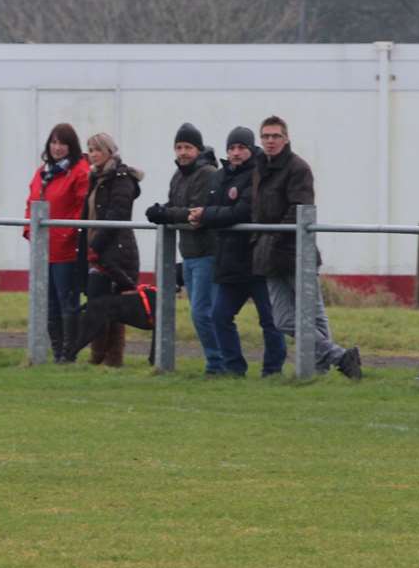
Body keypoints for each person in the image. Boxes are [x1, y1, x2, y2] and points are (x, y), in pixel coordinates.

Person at [250, 116, 362, 380]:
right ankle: (339, 357)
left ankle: (318, 370)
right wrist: (259, 240)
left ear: (286, 138)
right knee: (283, 319)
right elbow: (258, 210)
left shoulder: (298, 168)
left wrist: (273, 238)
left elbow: (301, 209)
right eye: (265, 136)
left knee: (312, 315)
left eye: (275, 136)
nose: (270, 141)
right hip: (268, 255)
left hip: (295, 252)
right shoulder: (259, 168)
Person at [191, 127, 286, 378]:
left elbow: (241, 212)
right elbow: (214, 209)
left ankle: (273, 370)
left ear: (250, 149)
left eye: (241, 148)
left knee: (270, 320)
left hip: (257, 260)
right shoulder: (219, 176)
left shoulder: (257, 175)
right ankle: (234, 369)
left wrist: (207, 215)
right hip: (229, 260)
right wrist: (205, 215)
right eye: (231, 148)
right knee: (219, 316)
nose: (235, 153)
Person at [145, 124, 221, 373]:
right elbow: (178, 208)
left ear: (198, 149)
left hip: (207, 253)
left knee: (202, 314)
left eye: (188, 147)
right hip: (188, 253)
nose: (183, 152)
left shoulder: (208, 173)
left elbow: (195, 213)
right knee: (199, 313)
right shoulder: (178, 176)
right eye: (179, 147)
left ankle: (217, 364)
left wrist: (165, 214)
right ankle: (217, 363)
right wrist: (162, 210)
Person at [23, 123, 90, 362]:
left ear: (71, 146)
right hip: (43, 249)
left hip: (66, 250)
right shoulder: (43, 171)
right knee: (48, 303)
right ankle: (56, 351)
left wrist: (64, 233)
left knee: (67, 302)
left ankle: (68, 354)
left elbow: (82, 208)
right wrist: (28, 229)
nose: (57, 148)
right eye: (54, 142)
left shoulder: (80, 171)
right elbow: (31, 201)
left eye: (62, 143)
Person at [78, 132, 141, 367]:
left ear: (109, 152)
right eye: (90, 149)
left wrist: (95, 246)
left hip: (116, 251)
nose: (93, 154)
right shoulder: (96, 177)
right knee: (98, 303)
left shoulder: (121, 178)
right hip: (99, 249)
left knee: (112, 307)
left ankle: (112, 358)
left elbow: (118, 214)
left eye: (97, 149)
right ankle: (100, 356)